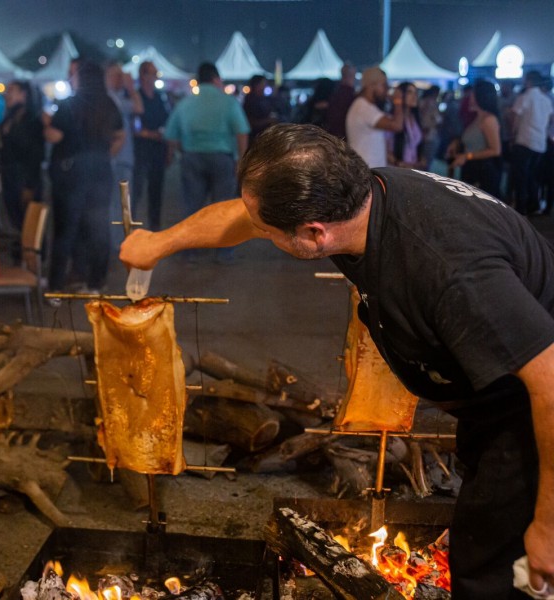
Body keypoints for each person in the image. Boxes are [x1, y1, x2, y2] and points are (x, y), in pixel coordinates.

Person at [120, 123, 554, 599]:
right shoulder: (361, 196)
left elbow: (550, 383)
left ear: (314, 233)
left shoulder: (450, 271)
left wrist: (548, 527)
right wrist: (160, 243)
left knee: (490, 572)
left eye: (268, 231)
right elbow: (241, 219)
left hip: (531, 409)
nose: (258, 232)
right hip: (494, 395)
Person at [44, 60, 124, 294]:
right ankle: (95, 283)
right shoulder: (109, 103)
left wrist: (47, 123)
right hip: (100, 171)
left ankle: (56, 286)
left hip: (71, 173)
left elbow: (54, 136)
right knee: (98, 227)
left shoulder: (70, 104)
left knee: (66, 229)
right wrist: (104, 155)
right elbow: (120, 135)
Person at [164, 62, 249, 222]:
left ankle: (193, 245)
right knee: (223, 208)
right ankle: (222, 245)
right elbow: (242, 133)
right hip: (222, 159)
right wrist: (240, 161)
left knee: (192, 208)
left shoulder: (185, 103)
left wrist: (181, 151)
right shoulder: (229, 102)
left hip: (192, 157)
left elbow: (171, 135)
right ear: (216, 79)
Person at [0, 80, 44, 239]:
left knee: (29, 222)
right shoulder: (8, 119)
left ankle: (31, 259)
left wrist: (29, 185)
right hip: (9, 175)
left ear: (23, 94)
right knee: (14, 220)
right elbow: (2, 150)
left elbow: (35, 155)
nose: (6, 94)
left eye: (12, 90)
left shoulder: (32, 120)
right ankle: (18, 256)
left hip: (24, 176)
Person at [106, 61, 143, 250]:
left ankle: (118, 244)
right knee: (119, 204)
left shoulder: (115, 98)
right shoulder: (112, 99)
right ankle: (117, 246)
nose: (121, 79)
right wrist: (131, 87)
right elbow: (139, 108)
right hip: (119, 159)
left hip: (121, 159)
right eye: (117, 75)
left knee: (120, 204)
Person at [448, 79, 502, 198]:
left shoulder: (489, 120)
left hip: (483, 172)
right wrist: (456, 142)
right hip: (472, 169)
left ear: (480, 96)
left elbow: (495, 150)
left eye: (472, 94)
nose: (469, 97)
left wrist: (467, 156)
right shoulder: (478, 117)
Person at [133, 60, 170, 232]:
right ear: (143, 75)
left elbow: (166, 120)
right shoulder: (135, 96)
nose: (155, 77)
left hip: (157, 151)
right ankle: (130, 228)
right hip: (140, 151)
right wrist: (151, 134)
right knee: (136, 191)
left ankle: (154, 229)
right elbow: (135, 125)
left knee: (156, 192)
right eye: (152, 73)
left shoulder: (159, 98)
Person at [509, 70, 554, 215]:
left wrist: (512, 135)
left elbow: (515, 117)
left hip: (524, 140)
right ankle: (533, 204)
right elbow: (550, 120)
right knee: (533, 176)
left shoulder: (525, 97)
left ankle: (521, 207)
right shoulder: (546, 100)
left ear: (528, 81)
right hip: (539, 143)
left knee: (520, 176)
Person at [345, 66, 405, 168]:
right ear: (371, 85)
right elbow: (397, 125)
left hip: (367, 170)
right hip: (366, 171)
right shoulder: (364, 107)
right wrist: (398, 101)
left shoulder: (366, 106)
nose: (386, 90)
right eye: (384, 85)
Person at [387, 82, 425, 169]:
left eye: (415, 93)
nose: (414, 96)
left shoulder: (415, 118)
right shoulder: (392, 119)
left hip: (413, 168)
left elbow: (416, 145)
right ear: (400, 95)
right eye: (409, 92)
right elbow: (385, 149)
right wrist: (399, 163)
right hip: (396, 170)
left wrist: (421, 159)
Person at [323, 63, 357, 139]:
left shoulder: (335, 93)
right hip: (345, 136)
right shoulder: (349, 95)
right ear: (352, 75)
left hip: (335, 135)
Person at [243, 74, 279, 144]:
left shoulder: (263, 99)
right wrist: (268, 120)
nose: (265, 86)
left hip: (264, 137)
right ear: (256, 85)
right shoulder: (250, 101)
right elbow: (250, 122)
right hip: (255, 138)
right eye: (263, 84)